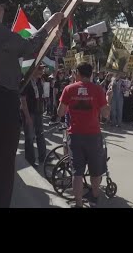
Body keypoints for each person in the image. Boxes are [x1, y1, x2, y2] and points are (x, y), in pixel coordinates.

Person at [0, 0, 62, 208]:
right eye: (3, 8)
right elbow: (26, 46)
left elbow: (10, 56)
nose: (4, 13)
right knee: (3, 161)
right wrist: (48, 26)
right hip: (0, 99)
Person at [57, 62, 110, 208]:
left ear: (77, 73)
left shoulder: (69, 89)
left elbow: (60, 112)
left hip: (75, 135)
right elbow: (106, 114)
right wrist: (108, 99)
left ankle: (79, 204)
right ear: (91, 74)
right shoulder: (98, 90)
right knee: (95, 170)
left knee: (77, 172)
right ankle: (94, 197)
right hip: (93, 135)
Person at [20, 64, 46, 167]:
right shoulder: (25, 82)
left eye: (42, 68)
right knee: (30, 137)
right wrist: (27, 117)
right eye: (39, 68)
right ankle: (30, 160)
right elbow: (23, 100)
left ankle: (43, 157)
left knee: (40, 134)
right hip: (29, 113)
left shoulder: (40, 81)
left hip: (38, 112)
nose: (41, 70)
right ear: (32, 69)